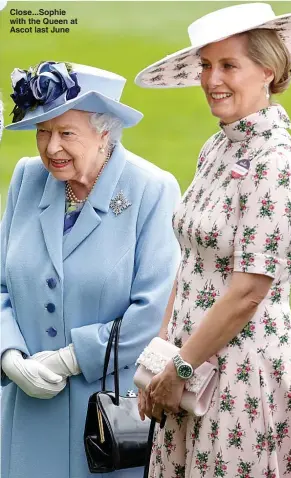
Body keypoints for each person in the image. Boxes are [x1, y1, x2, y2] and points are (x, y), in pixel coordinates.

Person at [135, 3, 291, 477]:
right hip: (186, 369)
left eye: (229, 65)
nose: (212, 80)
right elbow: (190, 259)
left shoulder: (277, 162)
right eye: (206, 66)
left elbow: (248, 291)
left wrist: (179, 369)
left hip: (242, 378)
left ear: (267, 71)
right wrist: (162, 353)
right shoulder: (217, 145)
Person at [0, 60, 181, 478]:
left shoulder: (151, 189)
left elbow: (155, 311)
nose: (51, 147)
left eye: (66, 133)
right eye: (42, 132)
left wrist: (69, 359)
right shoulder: (27, 179)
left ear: (105, 133)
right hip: (27, 416)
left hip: (106, 423)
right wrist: (10, 356)